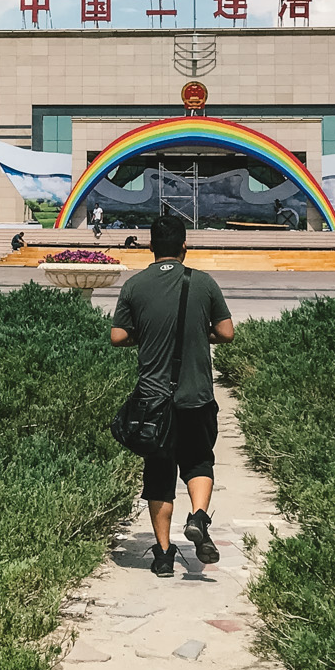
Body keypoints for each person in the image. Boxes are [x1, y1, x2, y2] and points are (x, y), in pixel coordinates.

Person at [110, 213, 234, 578]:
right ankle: (197, 517)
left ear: (150, 247)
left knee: (159, 474)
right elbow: (226, 333)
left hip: (153, 402)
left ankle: (163, 556)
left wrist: (143, 337)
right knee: (198, 461)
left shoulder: (135, 286)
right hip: (196, 395)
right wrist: (201, 333)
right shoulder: (204, 283)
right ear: (184, 246)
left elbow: (118, 336)